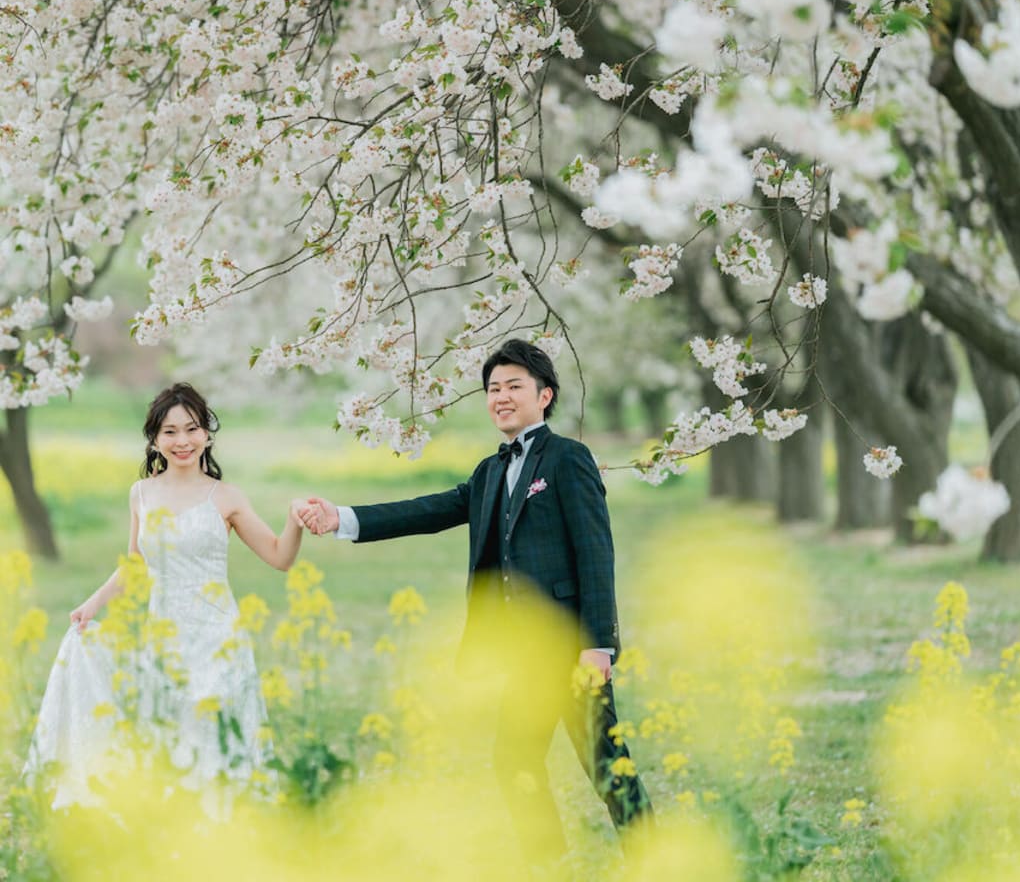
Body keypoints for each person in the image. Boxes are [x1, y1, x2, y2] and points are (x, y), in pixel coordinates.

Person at [301, 339, 652, 861]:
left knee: (607, 767)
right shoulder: (490, 472)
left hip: (570, 647)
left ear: (544, 395)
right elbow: (428, 510)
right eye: (493, 388)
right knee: (514, 761)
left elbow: (595, 553)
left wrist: (599, 645)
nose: (501, 397)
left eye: (514, 386)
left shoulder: (568, 459)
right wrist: (343, 518)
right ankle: (550, 863)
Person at [25, 383, 309, 808]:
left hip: (218, 635)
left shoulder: (226, 497)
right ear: (155, 440)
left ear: (207, 434)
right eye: (170, 432)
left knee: (214, 731)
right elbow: (136, 563)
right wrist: (93, 603)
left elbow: (279, 557)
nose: (182, 442)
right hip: (164, 633)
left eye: (191, 429)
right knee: (168, 730)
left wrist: (295, 520)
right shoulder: (142, 493)